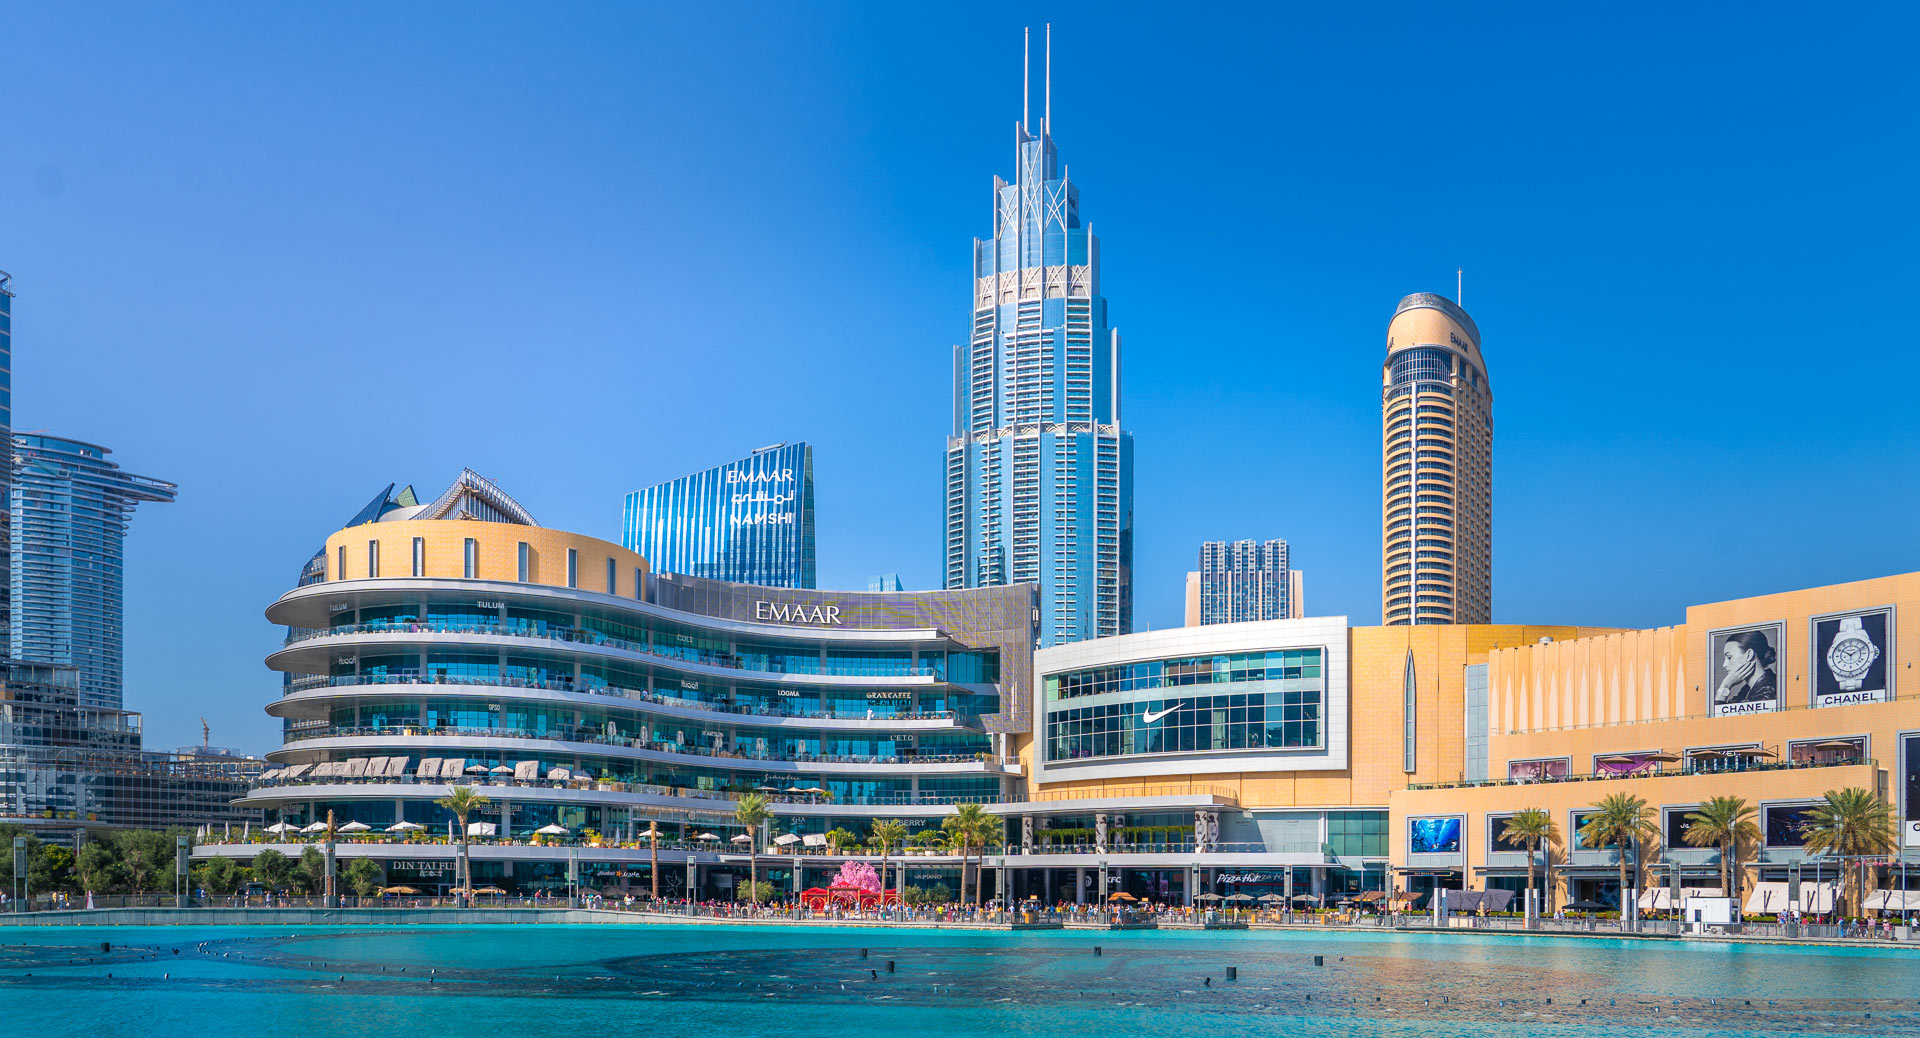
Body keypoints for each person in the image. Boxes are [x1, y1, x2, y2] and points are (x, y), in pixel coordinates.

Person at [1715, 630, 1778, 708]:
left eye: (1729, 657)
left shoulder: (1768, 691)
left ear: (1749, 655)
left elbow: (1721, 718)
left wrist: (1725, 685)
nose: (1724, 665)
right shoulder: (1747, 689)